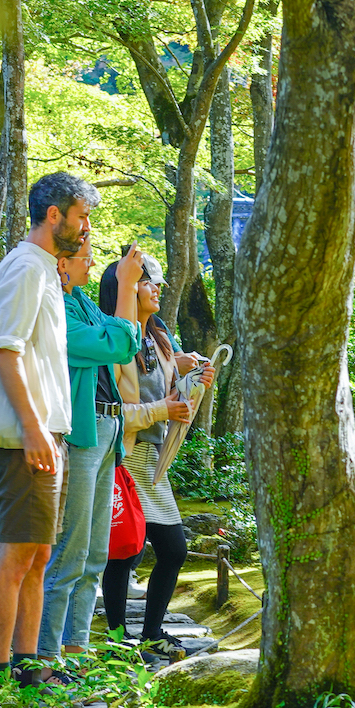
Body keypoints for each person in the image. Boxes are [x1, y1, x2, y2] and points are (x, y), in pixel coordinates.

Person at [0, 172, 99, 689]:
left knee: (39, 552)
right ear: (54, 215)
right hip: (25, 436)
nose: (85, 228)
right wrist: (33, 428)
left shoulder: (46, 268)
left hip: (45, 434)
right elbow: (5, 347)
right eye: (81, 216)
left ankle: (28, 667)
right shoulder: (24, 267)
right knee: (19, 550)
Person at [97, 253, 213, 661]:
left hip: (153, 460)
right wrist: (166, 407)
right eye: (148, 282)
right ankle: (116, 639)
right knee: (124, 549)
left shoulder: (160, 339)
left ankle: (150, 632)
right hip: (124, 455)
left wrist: (193, 381)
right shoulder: (111, 340)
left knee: (174, 549)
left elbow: (170, 393)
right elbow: (112, 409)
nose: (157, 287)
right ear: (125, 288)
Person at [39, 238, 145, 675]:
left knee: (95, 551)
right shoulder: (57, 310)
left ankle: (77, 649)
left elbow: (126, 341)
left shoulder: (80, 300)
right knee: (70, 549)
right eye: (85, 259)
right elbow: (115, 346)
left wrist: (125, 303)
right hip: (83, 432)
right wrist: (124, 288)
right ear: (62, 265)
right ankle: (46, 656)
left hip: (109, 428)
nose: (92, 265)